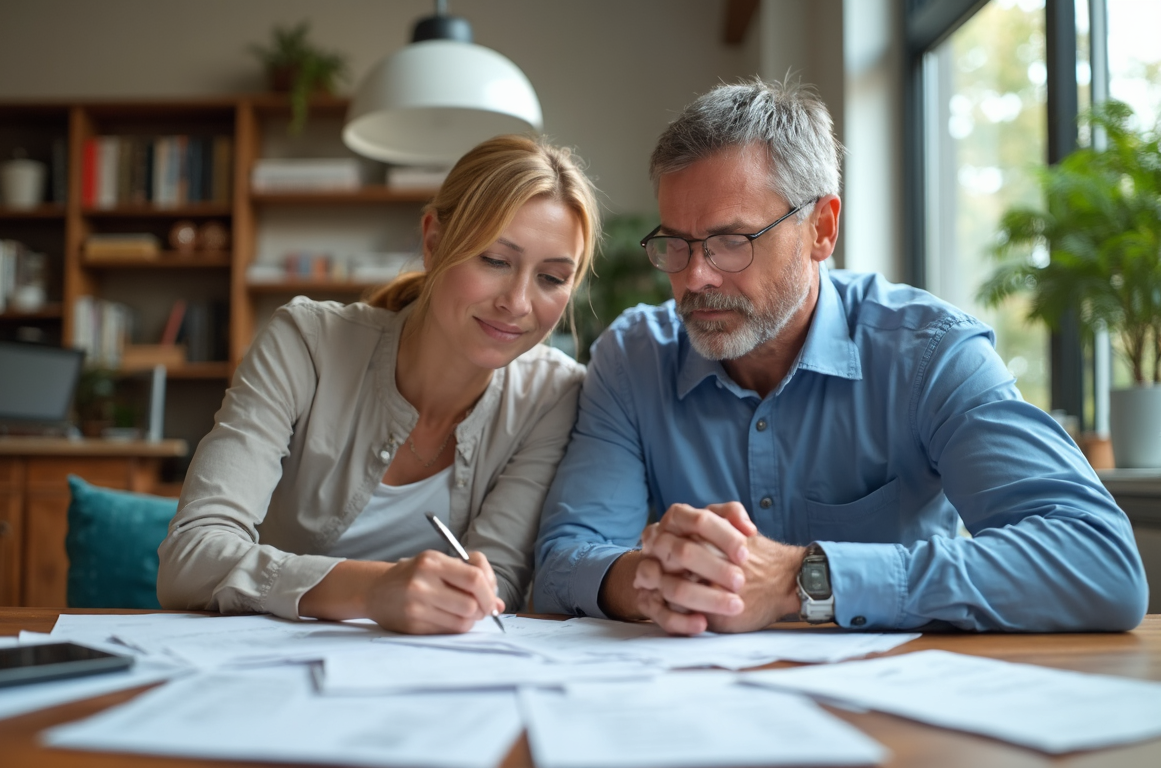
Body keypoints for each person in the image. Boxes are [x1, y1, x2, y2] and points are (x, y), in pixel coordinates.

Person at [533, 77, 1148, 635]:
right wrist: (653, 579)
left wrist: (798, 578)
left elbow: (1100, 562)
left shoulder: (929, 353)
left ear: (822, 229)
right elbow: (564, 560)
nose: (694, 277)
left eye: (730, 241)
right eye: (676, 244)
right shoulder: (634, 357)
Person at [158, 134, 600, 634]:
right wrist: (372, 591)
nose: (517, 303)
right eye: (495, 260)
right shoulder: (306, 343)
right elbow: (190, 557)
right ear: (433, 243)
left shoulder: (552, 396)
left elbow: (495, 584)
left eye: (551, 278)